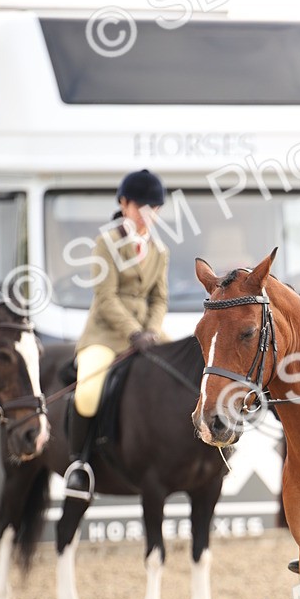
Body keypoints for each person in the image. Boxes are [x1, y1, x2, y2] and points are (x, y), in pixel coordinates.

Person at [63, 169, 169, 499]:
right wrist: (134, 332)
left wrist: (151, 331)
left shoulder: (159, 250)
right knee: (88, 392)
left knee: (186, 371)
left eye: (155, 209)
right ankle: (78, 465)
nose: (149, 216)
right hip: (106, 334)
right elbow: (105, 297)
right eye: (142, 208)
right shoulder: (105, 243)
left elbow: (159, 298)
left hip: (148, 334)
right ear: (124, 204)